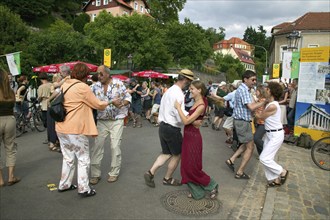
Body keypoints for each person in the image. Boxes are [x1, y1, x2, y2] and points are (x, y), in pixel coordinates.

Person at [55, 63, 109, 197]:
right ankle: (84, 188)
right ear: (86, 75)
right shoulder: (83, 87)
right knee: (83, 158)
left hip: (61, 127)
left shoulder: (65, 84)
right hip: (76, 129)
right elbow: (97, 104)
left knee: (68, 157)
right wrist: (110, 102)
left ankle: (64, 184)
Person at [143, 69, 196, 188]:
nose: (190, 84)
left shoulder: (169, 90)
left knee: (166, 153)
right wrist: (192, 118)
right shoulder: (179, 94)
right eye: (190, 81)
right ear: (186, 80)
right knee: (177, 154)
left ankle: (150, 172)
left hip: (163, 126)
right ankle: (167, 178)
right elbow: (180, 115)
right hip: (172, 128)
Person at [174, 80, 219, 200]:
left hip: (193, 138)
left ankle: (212, 184)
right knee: (186, 166)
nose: (190, 90)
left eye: (192, 88)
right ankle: (197, 192)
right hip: (189, 136)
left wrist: (178, 108)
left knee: (192, 168)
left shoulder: (201, 105)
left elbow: (186, 121)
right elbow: (193, 119)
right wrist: (196, 120)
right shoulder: (199, 100)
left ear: (199, 90)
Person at [90, 65, 131, 184]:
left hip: (117, 120)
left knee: (115, 146)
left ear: (108, 74)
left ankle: (114, 172)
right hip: (102, 120)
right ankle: (95, 174)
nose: (99, 76)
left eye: (101, 74)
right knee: (97, 146)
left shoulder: (119, 84)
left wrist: (122, 103)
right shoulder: (94, 86)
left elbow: (128, 97)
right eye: (97, 74)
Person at [225, 70, 265, 179]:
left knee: (246, 143)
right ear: (245, 79)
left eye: (255, 80)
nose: (254, 82)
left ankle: (231, 160)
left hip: (242, 121)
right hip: (242, 122)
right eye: (252, 80)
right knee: (250, 147)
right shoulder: (243, 90)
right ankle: (240, 172)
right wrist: (264, 102)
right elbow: (251, 107)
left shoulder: (243, 89)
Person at [256, 82, 289, 187]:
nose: (265, 90)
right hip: (270, 134)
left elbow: (261, 117)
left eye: (267, 88)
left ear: (270, 91)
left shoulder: (273, 106)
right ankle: (275, 179)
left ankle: (282, 171)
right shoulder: (269, 103)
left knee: (264, 158)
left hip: (276, 135)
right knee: (267, 157)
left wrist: (251, 109)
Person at [0, 69, 21, 187]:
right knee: (11, 148)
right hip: (9, 119)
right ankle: (11, 176)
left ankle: (0, 180)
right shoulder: (10, 92)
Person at [253, 85, 267, 155]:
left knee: (256, 138)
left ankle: (267, 149)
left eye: (257, 91)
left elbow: (261, 112)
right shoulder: (259, 100)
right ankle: (261, 154)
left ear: (261, 91)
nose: (256, 92)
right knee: (257, 139)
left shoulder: (263, 101)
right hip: (258, 122)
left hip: (263, 122)